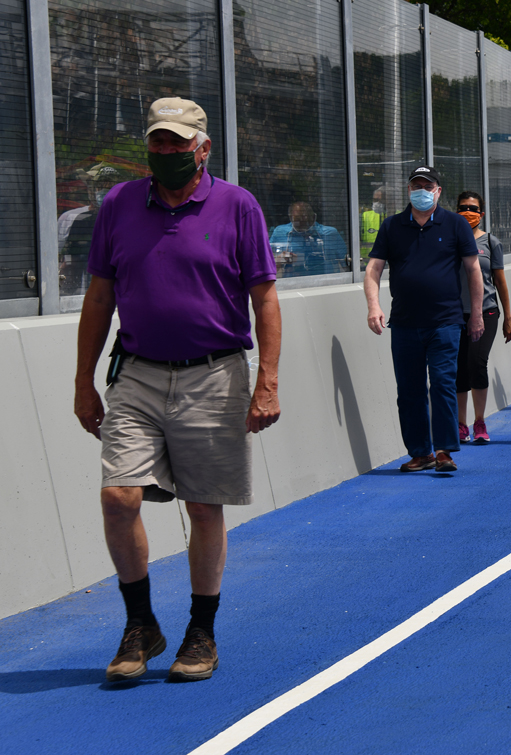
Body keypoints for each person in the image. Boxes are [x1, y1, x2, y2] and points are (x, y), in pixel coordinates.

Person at [73, 97, 281, 684]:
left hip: (214, 373)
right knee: (119, 497)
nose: (165, 152)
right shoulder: (118, 205)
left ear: (202, 147)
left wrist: (266, 380)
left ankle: (202, 630)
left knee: (202, 505)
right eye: (157, 142)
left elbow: (265, 298)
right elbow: (98, 297)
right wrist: (83, 382)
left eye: (177, 143)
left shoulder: (237, 206)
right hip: (136, 371)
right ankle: (141, 622)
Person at [365, 165, 484, 473]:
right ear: (409, 190)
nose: (421, 191)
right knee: (409, 390)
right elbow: (373, 269)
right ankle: (421, 452)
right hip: (404, 323)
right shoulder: (392, 226)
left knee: (443, 384)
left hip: (445, 322)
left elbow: (473, 270)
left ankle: (444, 450)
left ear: (437, 191)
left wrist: (476, 315)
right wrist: (373, 306)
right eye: (416, 185)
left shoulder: (455, 224)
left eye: (427, 186)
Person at [455, 190, 511, 444]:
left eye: (473, 208)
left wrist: (508, 318)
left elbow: (500, 282)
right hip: (456, 313)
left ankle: (479, 421)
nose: (468, 212)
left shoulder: (491, 243)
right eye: (463, 207)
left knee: (477, 363)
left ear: (481, 213)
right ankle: (460, 424)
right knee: (458, 368)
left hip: (487, 311)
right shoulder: (450, 241)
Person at [59, 163, 122, 296]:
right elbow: (62, 260)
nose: (105, 191)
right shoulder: (72, 219)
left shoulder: (125, 220)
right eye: (100, 186)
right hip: (78, 297)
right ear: (90, 189)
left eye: (110, 186)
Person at [268, 201, 349, 276]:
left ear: (314, 217)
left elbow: (347, 265)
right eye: (298, 220)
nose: (303, 224)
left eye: (307, 221)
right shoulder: (280, 232)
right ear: (290, 218)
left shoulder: (330, 234)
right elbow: (268, 267)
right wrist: (280, 259)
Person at [360, 186, 393, 268]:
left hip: (390, 265)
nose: (376, 203)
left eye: (380, 200)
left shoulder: (398, 217)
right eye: (375, 200)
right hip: (367, 264)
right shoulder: (365, 216)